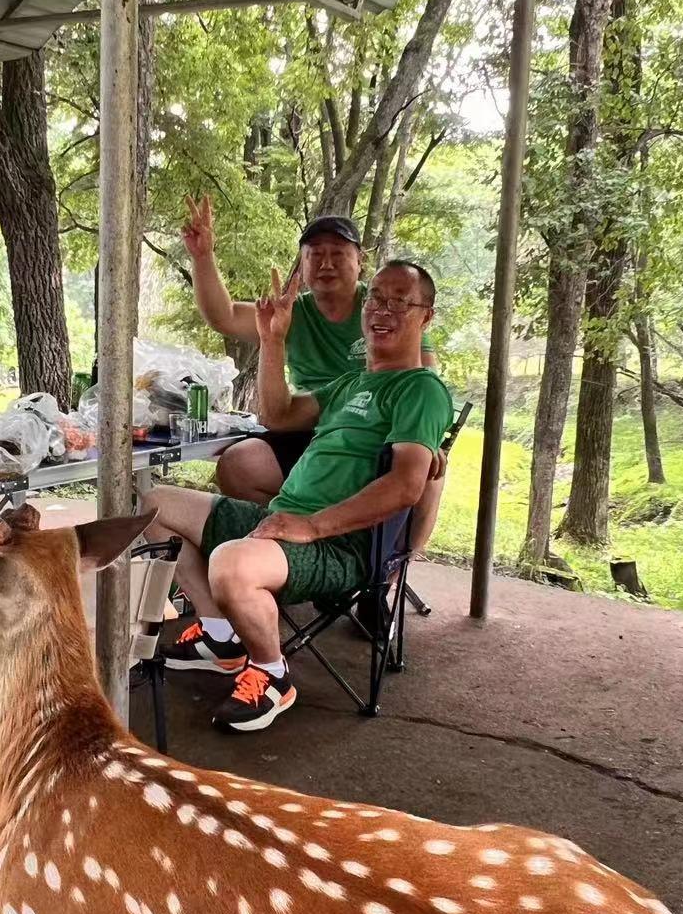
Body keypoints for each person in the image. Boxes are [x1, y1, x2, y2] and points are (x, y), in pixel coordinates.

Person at [143, 259, 452, 733]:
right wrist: (272, 341)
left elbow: (405, 485)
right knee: (152, 502)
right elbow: (280, 416)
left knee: (231, 563)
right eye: (376, 299)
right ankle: (223, 637)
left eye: (399, 301)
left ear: (425, 316)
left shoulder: (420, 390)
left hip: (338, 544)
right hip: (282, 523)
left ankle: (271, 674)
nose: (381, 310)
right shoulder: (352, 383)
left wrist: (312, 526)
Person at [181, 195, 449, 548]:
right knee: (236, 464)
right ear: (303, 264)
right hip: (310, 420)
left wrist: (429, 434)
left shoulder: (388, 307)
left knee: (426, 465)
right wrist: (202, 257)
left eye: (338, 254)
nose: (326, 264)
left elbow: (422, 377)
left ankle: (394, 564)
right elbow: (225, 316)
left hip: (375, 427)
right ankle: (285, 539)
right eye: (314, 255)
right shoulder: (293, 312)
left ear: (359, 261)